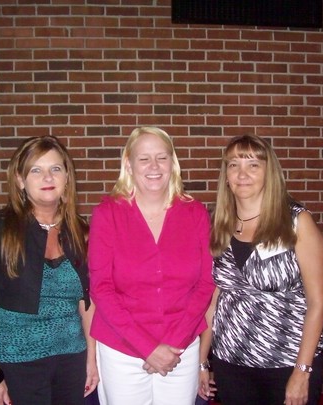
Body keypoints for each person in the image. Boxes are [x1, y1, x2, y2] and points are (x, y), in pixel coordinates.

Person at [0, 136, 99, 405]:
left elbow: (87, 303)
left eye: (55, 168)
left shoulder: (80, 231)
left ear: (67, 178)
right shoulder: (1, 228)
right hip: (17, 363)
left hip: (71, 361)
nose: (47, 177)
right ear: (20, 180)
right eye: (36, 170)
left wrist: (91, 360)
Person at [198, 134, 323, 405]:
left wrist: (302, 371)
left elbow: (319, 302)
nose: (242, 174)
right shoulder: (218, 224)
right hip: (230, 360)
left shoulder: (296, 221)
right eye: (234, 165)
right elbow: (214, 301)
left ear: (270, 173)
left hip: (287, 361)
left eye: (253, 165)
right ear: (226, 176)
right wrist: (202, 361)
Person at [88, 126, 215, 405]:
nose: (154, 166)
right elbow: (101, 288)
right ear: (129, 165)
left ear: (173, 163)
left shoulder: (195, 213)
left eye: (162, 157)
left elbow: (206, 284)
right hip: (121, 349)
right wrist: (147, 348)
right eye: (144, 159)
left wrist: (175, 343)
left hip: (180, 349)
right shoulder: (107, 214)